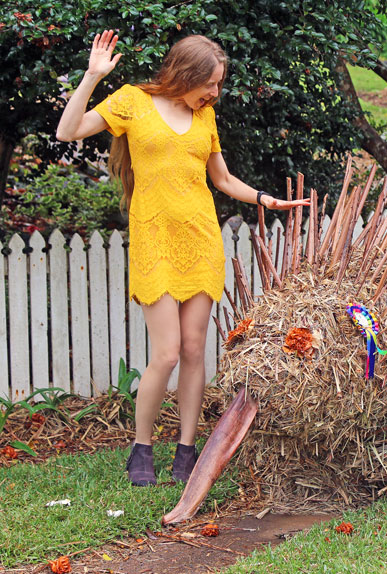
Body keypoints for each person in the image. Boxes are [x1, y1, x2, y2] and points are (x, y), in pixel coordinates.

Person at [56, 30, 309, 486]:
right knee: (168, 353)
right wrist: (92, 76)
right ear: (186, 74)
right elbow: (67, 131)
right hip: (154, 241)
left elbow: (223, 179)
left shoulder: (206, 116)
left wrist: (265, 199)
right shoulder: (131, 102)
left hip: (201, 240)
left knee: (194, 349)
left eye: (218, 85)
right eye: (210, 83)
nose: (214, 93)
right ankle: (141, 448)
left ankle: (186, 451)